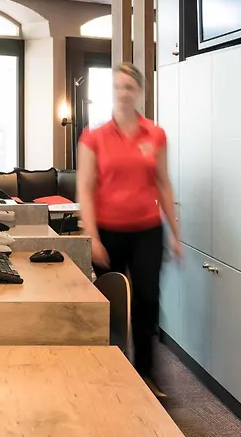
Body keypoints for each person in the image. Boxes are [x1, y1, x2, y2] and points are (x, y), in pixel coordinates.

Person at [76, 62, 180, 397]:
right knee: (113, 303)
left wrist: (176, 232)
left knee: (148, 299)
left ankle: (146, 373)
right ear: (112, 91)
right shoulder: (94, 136)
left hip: (147, 230)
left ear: (139, 93)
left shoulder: (155, 134)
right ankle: (113, 372)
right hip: (108, 232)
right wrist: (92, 236)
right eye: (118, 87)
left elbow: (163, 183)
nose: (123, 93)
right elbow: (85, 189)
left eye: (129, 88)